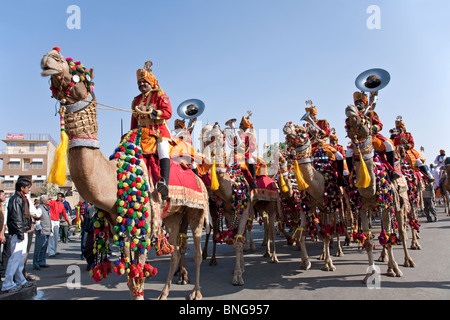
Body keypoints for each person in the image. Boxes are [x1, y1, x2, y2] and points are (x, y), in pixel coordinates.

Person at [130, 60, 173, 200]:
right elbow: (134, 121)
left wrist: (150, 111)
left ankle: (164, 182)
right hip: (141, 134)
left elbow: (168, 113)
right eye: (139, 83)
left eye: (144, 82)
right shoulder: (135, 100)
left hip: (158, 133)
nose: (141, 85)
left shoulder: (159, 93)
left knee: (162, 150)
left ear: (150, 82)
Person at [350, 91, 400, 180]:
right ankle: (349, 175)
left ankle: (393, 170)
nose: (358, 104)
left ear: (364, 103)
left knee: (389, 145)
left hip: (373, 136)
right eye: (356, 102)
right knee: (348, 153)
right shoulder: (353, 116)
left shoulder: (371, 113)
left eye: (360, 102)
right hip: (359, 139)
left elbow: (379, 125)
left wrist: (373, 128)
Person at [0, 178, 34, 293]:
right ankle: (7, 284)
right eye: (28, 187)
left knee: (20, 258)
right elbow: (16, 218)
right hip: (18, 232)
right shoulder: (15, 199)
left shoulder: (22, 199)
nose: (29, 189)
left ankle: (20, 280)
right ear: (21, 188)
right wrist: (20, 232)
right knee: (14, 259)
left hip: (22, 231)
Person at [303, 102, 345, 181]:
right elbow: (306, 138)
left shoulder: (323, 122)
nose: (313, 117)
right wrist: (310, 133)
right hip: (312, 147)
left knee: (339, 156)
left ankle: (341, 179)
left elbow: (327, 133)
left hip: (323, 145)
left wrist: (320, 132)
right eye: (311, 116)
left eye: (314, 115)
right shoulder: (307, 126)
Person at [392, 116, 434, 181]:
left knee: (418, 162)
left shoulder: (407, 135)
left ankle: (428, 176)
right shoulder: (394, 135)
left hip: (407, 151)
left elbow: (412, 143)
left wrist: (406, 147)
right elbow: (392, 143)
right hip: (397, 151)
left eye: (399, 127)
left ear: (403, 128)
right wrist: (392, 136)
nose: (398, 128)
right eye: (397, 127)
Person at [32, 195, 51, 270]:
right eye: (47, 200)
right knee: (38, 248)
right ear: (43, 201)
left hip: (46, 231)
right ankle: (36, 263)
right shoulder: (40, 208)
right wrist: (38, 228)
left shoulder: (46, 208)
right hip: (41, 231)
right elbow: (37, 220)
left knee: (44, 248)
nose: (48, 201)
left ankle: (42, 262)